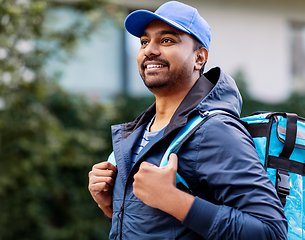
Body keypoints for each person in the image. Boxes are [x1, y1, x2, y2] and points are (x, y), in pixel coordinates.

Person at [88, 1, 288, 239]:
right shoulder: (141, 131)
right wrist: (109, 205)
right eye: (144, 41)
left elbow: (271, 231)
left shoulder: (215, 130)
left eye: (167, 40)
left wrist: (174, 200)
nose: (149, 50)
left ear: (199, 58)